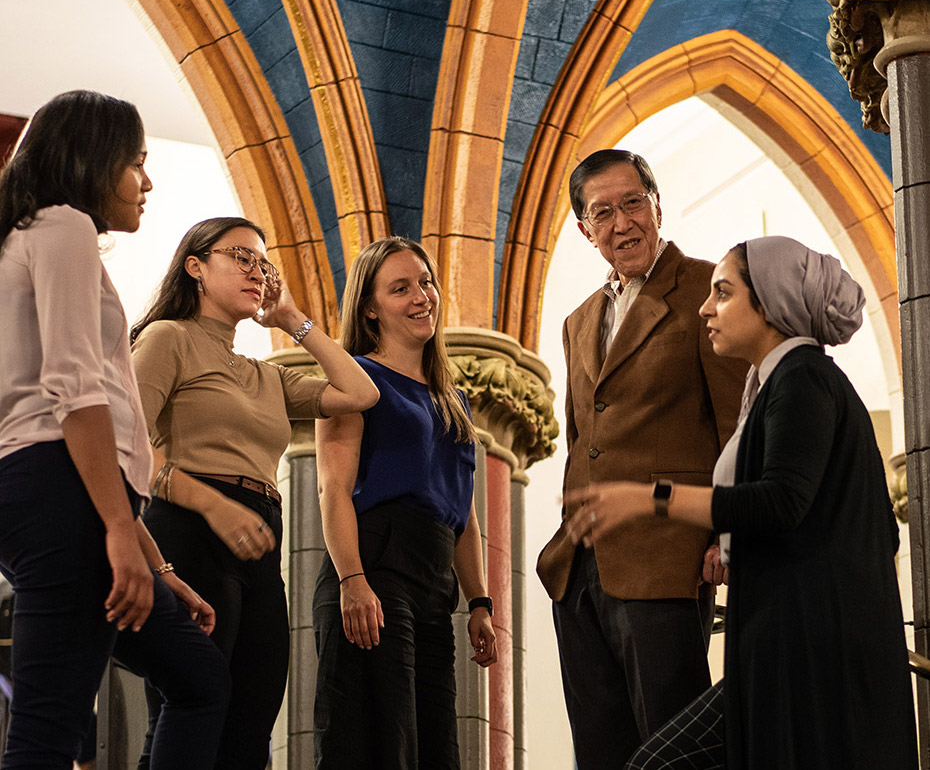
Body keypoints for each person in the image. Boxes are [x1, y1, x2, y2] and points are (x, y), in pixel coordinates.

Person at [565, 236, 918, 770]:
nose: (707, 307)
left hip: (810, 648)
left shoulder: (802, 380)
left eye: (724, 293)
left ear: (771, 304)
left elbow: (781, 501)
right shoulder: (775, 386)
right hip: (786, 638)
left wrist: (651, 498)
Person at [0, 90, 231, 769]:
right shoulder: (63, 226)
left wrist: (154, 562)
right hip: (60, 495)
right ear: (90, 159)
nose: (147, 181)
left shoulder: (24, 237)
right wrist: (116, 534)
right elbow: (74, 392)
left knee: (199, 678)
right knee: (47, 731)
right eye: (135, 162)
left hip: (52, 495)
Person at [129, 216, 379, 769]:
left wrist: (292, 319)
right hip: (189, 528)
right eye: (240, 257)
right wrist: (212, 504)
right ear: (195, 267)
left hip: (259, 540)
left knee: (253, 719)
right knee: (193, 709)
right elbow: (130, 448)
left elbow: (361, 391)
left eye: (262, 263)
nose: (256, 271)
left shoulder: (266, 375)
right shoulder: (167, 338)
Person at [535, 149, 747, 768]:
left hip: (667, 553)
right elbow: (583, 440)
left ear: (657, 205)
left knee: (672, 745)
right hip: (579, 567)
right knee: (600, 749)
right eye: (603, 212)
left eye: (633, 202)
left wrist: (725, 535)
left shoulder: (710, 289)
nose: (622, 222)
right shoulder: (579, 320)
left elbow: (739, 425)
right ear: (584, 229)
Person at [313, 237, 498, 769]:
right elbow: (332, 489)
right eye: (400, 288)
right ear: (370, 308)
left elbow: (462, 512)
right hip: (374, 566)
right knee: (377, 745)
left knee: (437, 749)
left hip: (435, 584)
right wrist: (352, 579)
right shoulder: (354, 378)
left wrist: (480, 600)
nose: (422, 297)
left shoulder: (454, 399)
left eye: (426, 282)